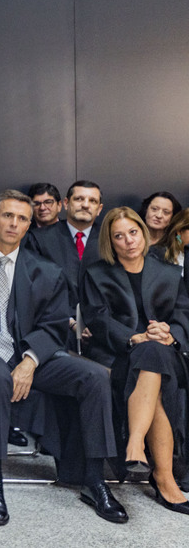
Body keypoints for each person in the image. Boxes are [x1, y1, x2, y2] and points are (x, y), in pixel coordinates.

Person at [0, 190, 123, 526]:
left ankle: (94, 479)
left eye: (22, 218)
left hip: (30, 356)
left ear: (30, 226)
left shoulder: (45, 270)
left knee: (95, 377)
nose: (14, 223)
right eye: (8, 216)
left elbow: (54, 324)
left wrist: (29, 361)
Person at [81, 207, 189, 515]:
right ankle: (164, 477)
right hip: (117, 355)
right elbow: (97, 319)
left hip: (166, 354)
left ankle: (136, 443)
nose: (129, 241)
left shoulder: (169, 272)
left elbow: (183, 315)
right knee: (149, 358)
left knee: (153, 354)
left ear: (143, 233)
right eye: (119, 236)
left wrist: (170, 332)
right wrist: (132, 337)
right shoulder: (97, 274)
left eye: (133, 232)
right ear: (110, 242)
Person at [26, 180, 104, 312]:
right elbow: (35, 288)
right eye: (79, 199)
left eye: (92, 201)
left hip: (104, 323)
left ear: (99, 209)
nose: (85, 205)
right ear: (66, 203)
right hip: (56, 321)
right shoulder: (39, 238)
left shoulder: (109, 238)